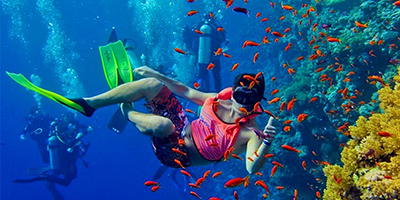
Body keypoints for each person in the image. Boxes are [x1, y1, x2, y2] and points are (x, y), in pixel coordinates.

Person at [8, 65, 275, 174]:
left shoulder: (250, 133)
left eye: (250, 100)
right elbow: (186, 91)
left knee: (162, 125)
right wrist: (155, 74)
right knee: (149, 84)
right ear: (234, 91)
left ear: (257, 103)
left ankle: (127, 112)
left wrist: (265, 145)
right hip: (182, 124)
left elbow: (252, 168)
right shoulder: (220, 98)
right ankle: (88, 104)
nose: (242, 104)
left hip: (176, 153)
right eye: (240, 95)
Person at [14, 112, 92, 187]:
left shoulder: (67, 128)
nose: (72, 126)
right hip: (67, 158)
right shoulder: (62, 130)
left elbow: (87, 129)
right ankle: (45, 177)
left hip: (67, 157)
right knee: (66, 181)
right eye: (70, 125)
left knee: (69, 176)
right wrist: (77, 137)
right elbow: (71, 142)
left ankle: (48, 176)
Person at [182, 14, 228, 92]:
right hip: (214, 56)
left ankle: (201, 91)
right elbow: (222, 40)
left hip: (201, 56)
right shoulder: (216, 26)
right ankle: (219, 93)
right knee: (216, 75)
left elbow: (192, 40)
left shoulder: (199, 26)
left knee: (202, 74)